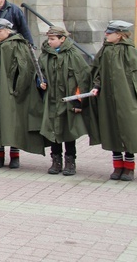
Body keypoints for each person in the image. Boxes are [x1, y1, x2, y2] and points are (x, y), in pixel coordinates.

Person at [0, 18, 45, 169]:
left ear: (8, 30)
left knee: (13, 123)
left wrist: (17, 88)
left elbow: (25, 69)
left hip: (12, 91)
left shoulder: (18, 45)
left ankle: (15, 156)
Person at [89, 20, 137, 181]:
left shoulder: (130, 51)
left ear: (119, 34)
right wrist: (96, 85)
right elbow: (97, 70)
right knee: (111, 127)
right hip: (107, 97)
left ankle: (129, 167)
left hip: (126, 97)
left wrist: (136, 96)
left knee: (128, 129)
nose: (106, 34)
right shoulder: (104, 50)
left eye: (110, 32)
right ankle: (117, 165)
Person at [38, 26, 91, 176]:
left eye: (53, 39)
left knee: (68, 131)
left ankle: (70, 161)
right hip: (52, 99)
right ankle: (56, 161)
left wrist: (78, 101)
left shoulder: (73, 55)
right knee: (54, 130)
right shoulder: (45, 55)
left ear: (62, 39)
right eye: (48, 39)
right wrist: (40, 83)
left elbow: (83, 78)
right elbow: (40, 72)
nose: (50, 42)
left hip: (68, 100)